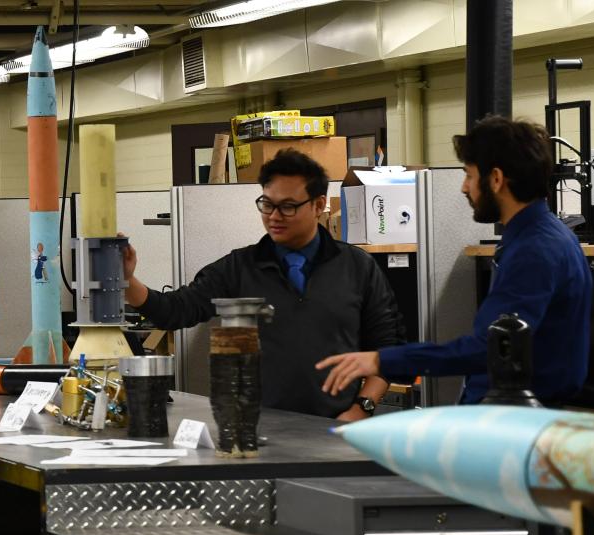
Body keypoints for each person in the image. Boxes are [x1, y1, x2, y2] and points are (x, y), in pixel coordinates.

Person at [317, 117, 591, 404]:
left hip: (516, 423)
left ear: (496, 179)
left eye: (470, 176)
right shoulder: (544, 237)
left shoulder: (535, 249)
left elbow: (491, 349)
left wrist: (383, 360)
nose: (463, 187)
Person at [123, 149, 404, 420]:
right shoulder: (239, 268)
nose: (274, 216)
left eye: (288, 207)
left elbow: (388, 347)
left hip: (337, 427)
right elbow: (176, 310)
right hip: (260, 430)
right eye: (267, 204)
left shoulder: (357, 267)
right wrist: (128, 281)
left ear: (319, 205)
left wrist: (361, 408)